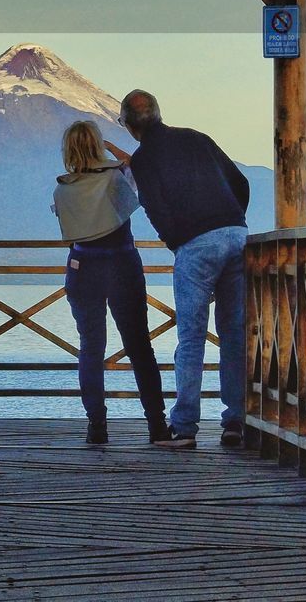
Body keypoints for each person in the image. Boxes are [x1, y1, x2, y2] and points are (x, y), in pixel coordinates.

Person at [119, 90, 250, 451]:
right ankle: (235, 420)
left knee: (191, 337)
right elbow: (240, 184)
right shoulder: (196, 137)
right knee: (233, 332)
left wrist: (177, 239)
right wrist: (230, 219)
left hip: (196, 245)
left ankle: (186, 427)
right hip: (237, 236)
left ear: (130, 126)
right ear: (160, 114)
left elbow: (155, 209)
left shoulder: (143, 160)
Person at [52, 120, 169, 446]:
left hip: (82, 266)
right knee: (139, 346)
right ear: (96, 145)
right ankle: (157, 425)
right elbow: (135, 169)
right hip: (121, 264)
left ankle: (97, 426)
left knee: (90, 347)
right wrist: (112, 152)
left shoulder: (63, 189)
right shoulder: (115, 179)